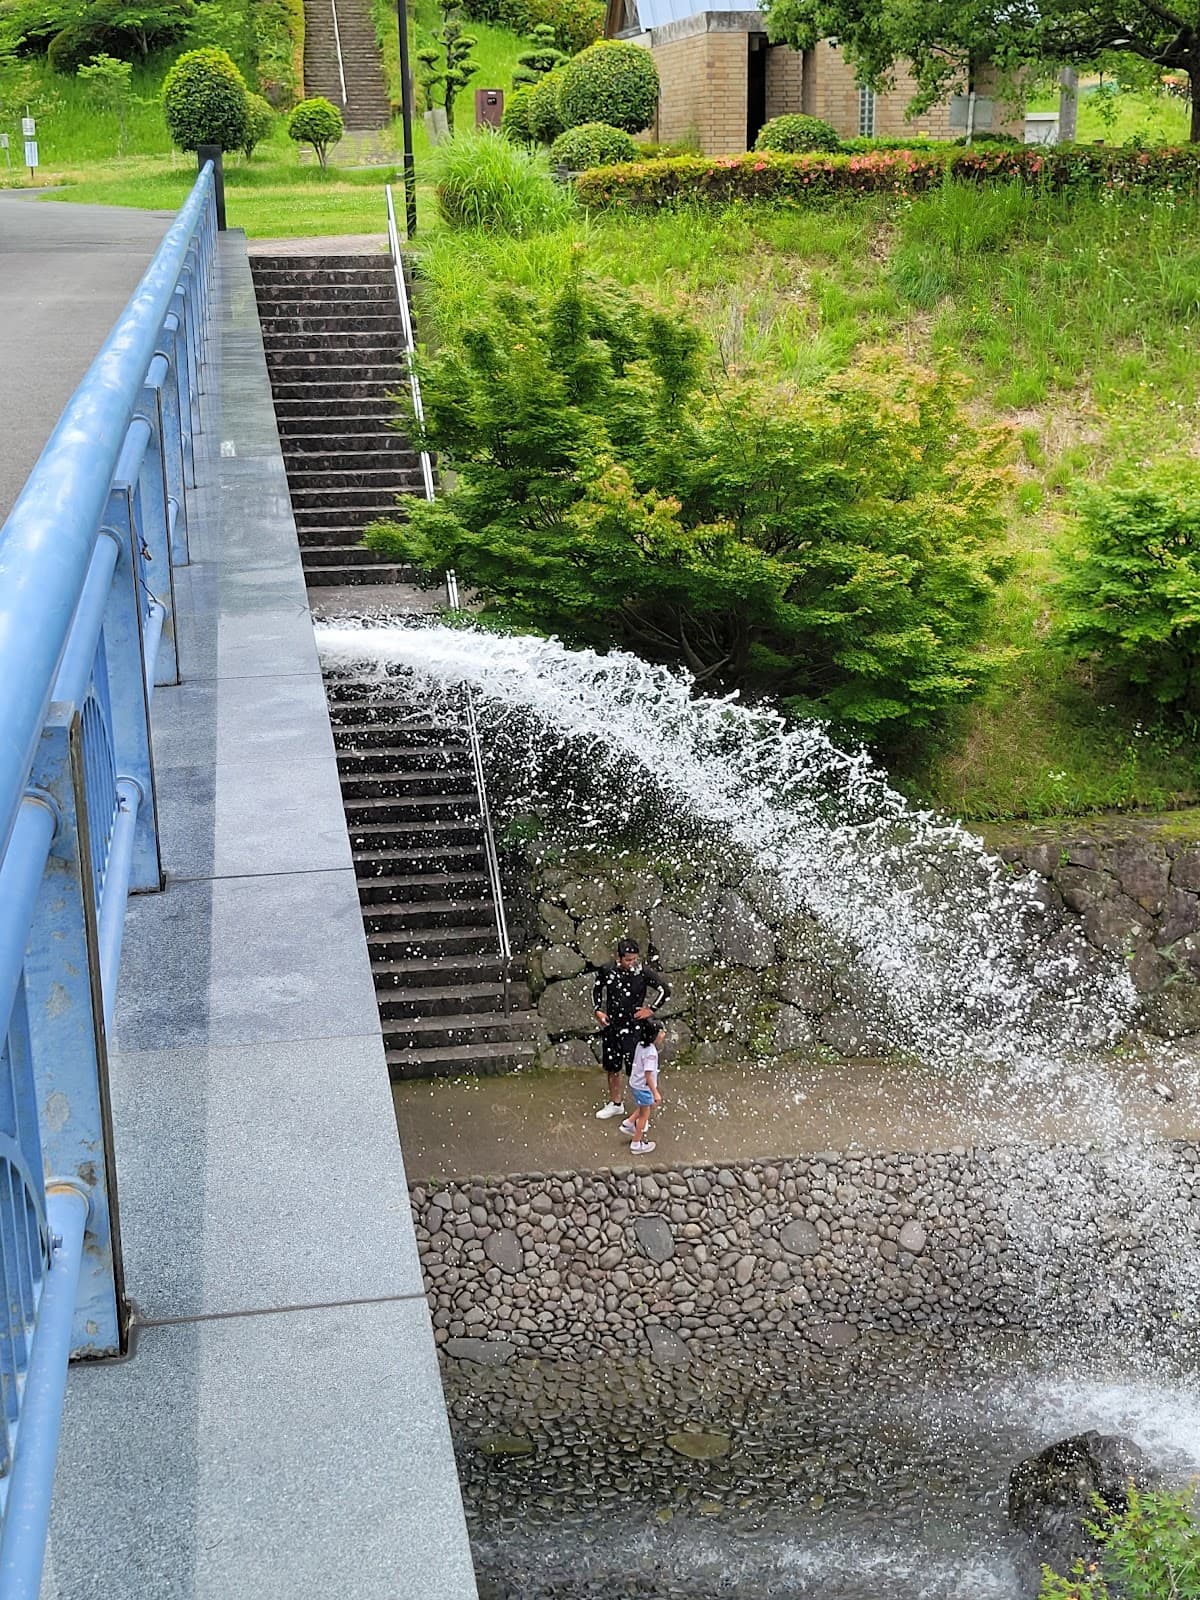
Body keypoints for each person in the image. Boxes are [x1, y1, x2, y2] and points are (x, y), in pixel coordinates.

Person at [592, 938, 669, 1120]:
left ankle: (641, 1112)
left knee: (639, 1071)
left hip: (634, 1027)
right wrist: (598, 1011)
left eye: (634, 959)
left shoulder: (642, 972)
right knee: (612, 1066)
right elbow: (596, 990)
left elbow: (665, 990)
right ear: (618, 957)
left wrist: (650, 1009)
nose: (631, 963)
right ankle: (616, 1103)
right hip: (611, 1025)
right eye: (628, 959)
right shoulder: (607, 970)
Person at [621, 1017, 664, 1154]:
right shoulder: (651, 1053)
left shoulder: (641, 1045)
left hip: (636, 1083)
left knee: (643, 1106)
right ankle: (636, 1144)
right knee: (645, 1115)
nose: (663, 1034)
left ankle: (628, 1123)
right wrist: (655, 1092)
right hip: (643, 1087)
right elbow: (648, 1075)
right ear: (654, 1035)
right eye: (661, 1032)